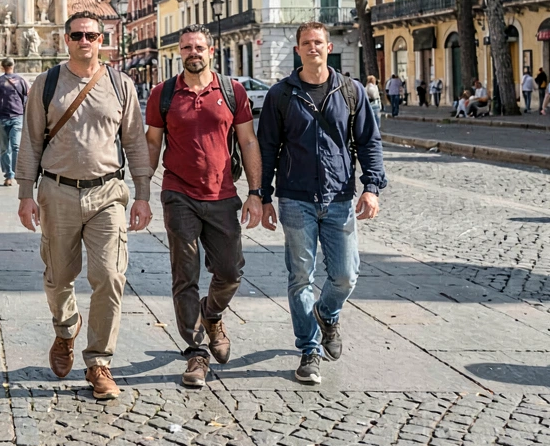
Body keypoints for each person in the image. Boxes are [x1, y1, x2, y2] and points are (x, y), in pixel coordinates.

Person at [14, 11, 153, 401]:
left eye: (91, 35)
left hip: (108, 193)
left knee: (109, 276)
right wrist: (26, 192)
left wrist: (142, 192)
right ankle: (65, 328)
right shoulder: (47, 83)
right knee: (58, 277)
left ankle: (98, 362)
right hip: (57, 192)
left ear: (101, 39)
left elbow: (135, 143)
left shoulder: (120, 84)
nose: (84, 40)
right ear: (66, 40)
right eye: (77, 35)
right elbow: (31, 141)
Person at [254, 21, 385, 385]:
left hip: (340, 197)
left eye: (318, 42)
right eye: (306, 43)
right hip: (295, 199)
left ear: (329, 47)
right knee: (301, 278)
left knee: (345, 275)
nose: (313, 47)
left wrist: (371, 187)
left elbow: (369, 143)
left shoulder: (350, 91)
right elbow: (267, 148)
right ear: (297, 50)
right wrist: (263, 196)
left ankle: (327, 313)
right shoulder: (282, 94)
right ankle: (308, 349)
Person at [144, 25, 261, 388]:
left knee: (230, 271)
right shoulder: (162, 94)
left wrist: (256, 192)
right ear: (179, 52)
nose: (192, 52)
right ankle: (196, 353)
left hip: (223, 194)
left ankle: (212, 315)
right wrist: (139, 193)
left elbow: (248, 140)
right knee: (185, 275)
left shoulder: (232, 91)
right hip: (178, 194)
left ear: (211, 50)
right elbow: (151, 144)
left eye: (198, 47)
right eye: (186, 48)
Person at [0, 58, 29, 187]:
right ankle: (13, 174)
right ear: (13, 66)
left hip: (3, 117)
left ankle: (10, 175)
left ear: (2, 66)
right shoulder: (22, 80)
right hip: (16, 116)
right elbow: (30, 98)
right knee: (16, 147)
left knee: (5, 149)